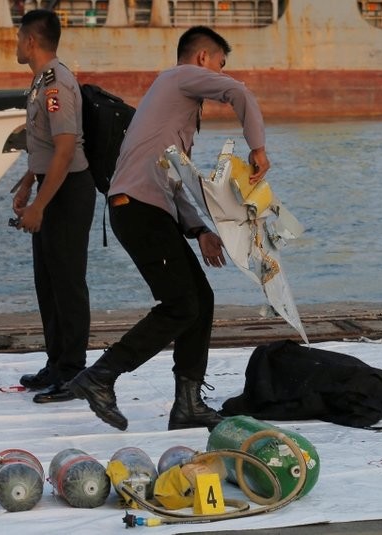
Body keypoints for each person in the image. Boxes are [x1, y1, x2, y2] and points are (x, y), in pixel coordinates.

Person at [68, 26, 270, 431]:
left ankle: (188, 403)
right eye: (219, 65)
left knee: (201, 299)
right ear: (202, 60)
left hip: (149, 209)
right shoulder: (177, 78)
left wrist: (199, 231)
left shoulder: (172, 114)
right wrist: (259, 148)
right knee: (179, 305)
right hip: (138, 209)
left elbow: (173, 182)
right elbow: (240, 93)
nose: (220, 75)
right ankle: (100, 376)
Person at [12, 9, 96, 404]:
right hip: (51, 185)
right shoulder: (40, 82)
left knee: (67, 282)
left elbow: (65, 150)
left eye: (17, 38)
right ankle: (56, 362)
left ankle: (74, 371)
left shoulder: (55, 83)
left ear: (30, 41)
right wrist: (29, 181)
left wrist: (40, 206)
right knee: (48, 281)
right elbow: (45, 147)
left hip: (68, 190)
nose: (15, 45)